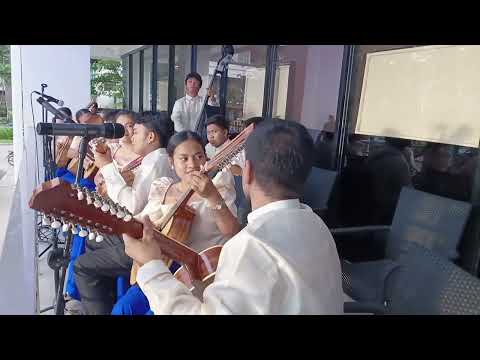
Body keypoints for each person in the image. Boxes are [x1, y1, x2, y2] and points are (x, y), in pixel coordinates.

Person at [123, 119, 344, 315]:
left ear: (247, 172)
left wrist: (152, 266)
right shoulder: (318, 226)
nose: (192, 164)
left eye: (198, 156)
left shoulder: (249, 247)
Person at [110, 130, 240, 315]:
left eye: (198, 156)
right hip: (165, 264)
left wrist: (212, 196)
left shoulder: (218, 184)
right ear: (171, 162)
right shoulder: (162, 187)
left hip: (201, 272)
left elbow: (232, 232)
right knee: (123, 309)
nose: (192, 164)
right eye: (183, 158)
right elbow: (146, 220)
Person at [72, 111, 176, 315]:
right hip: (139, 231)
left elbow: (131, 206)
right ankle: (105, 298)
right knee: (92, 240)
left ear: (151, 136)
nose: (131, 136)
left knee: (81, 266)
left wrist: (107, 166)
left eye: (135, 131)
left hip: (146, 241)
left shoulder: (155, 161)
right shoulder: (153, 159)